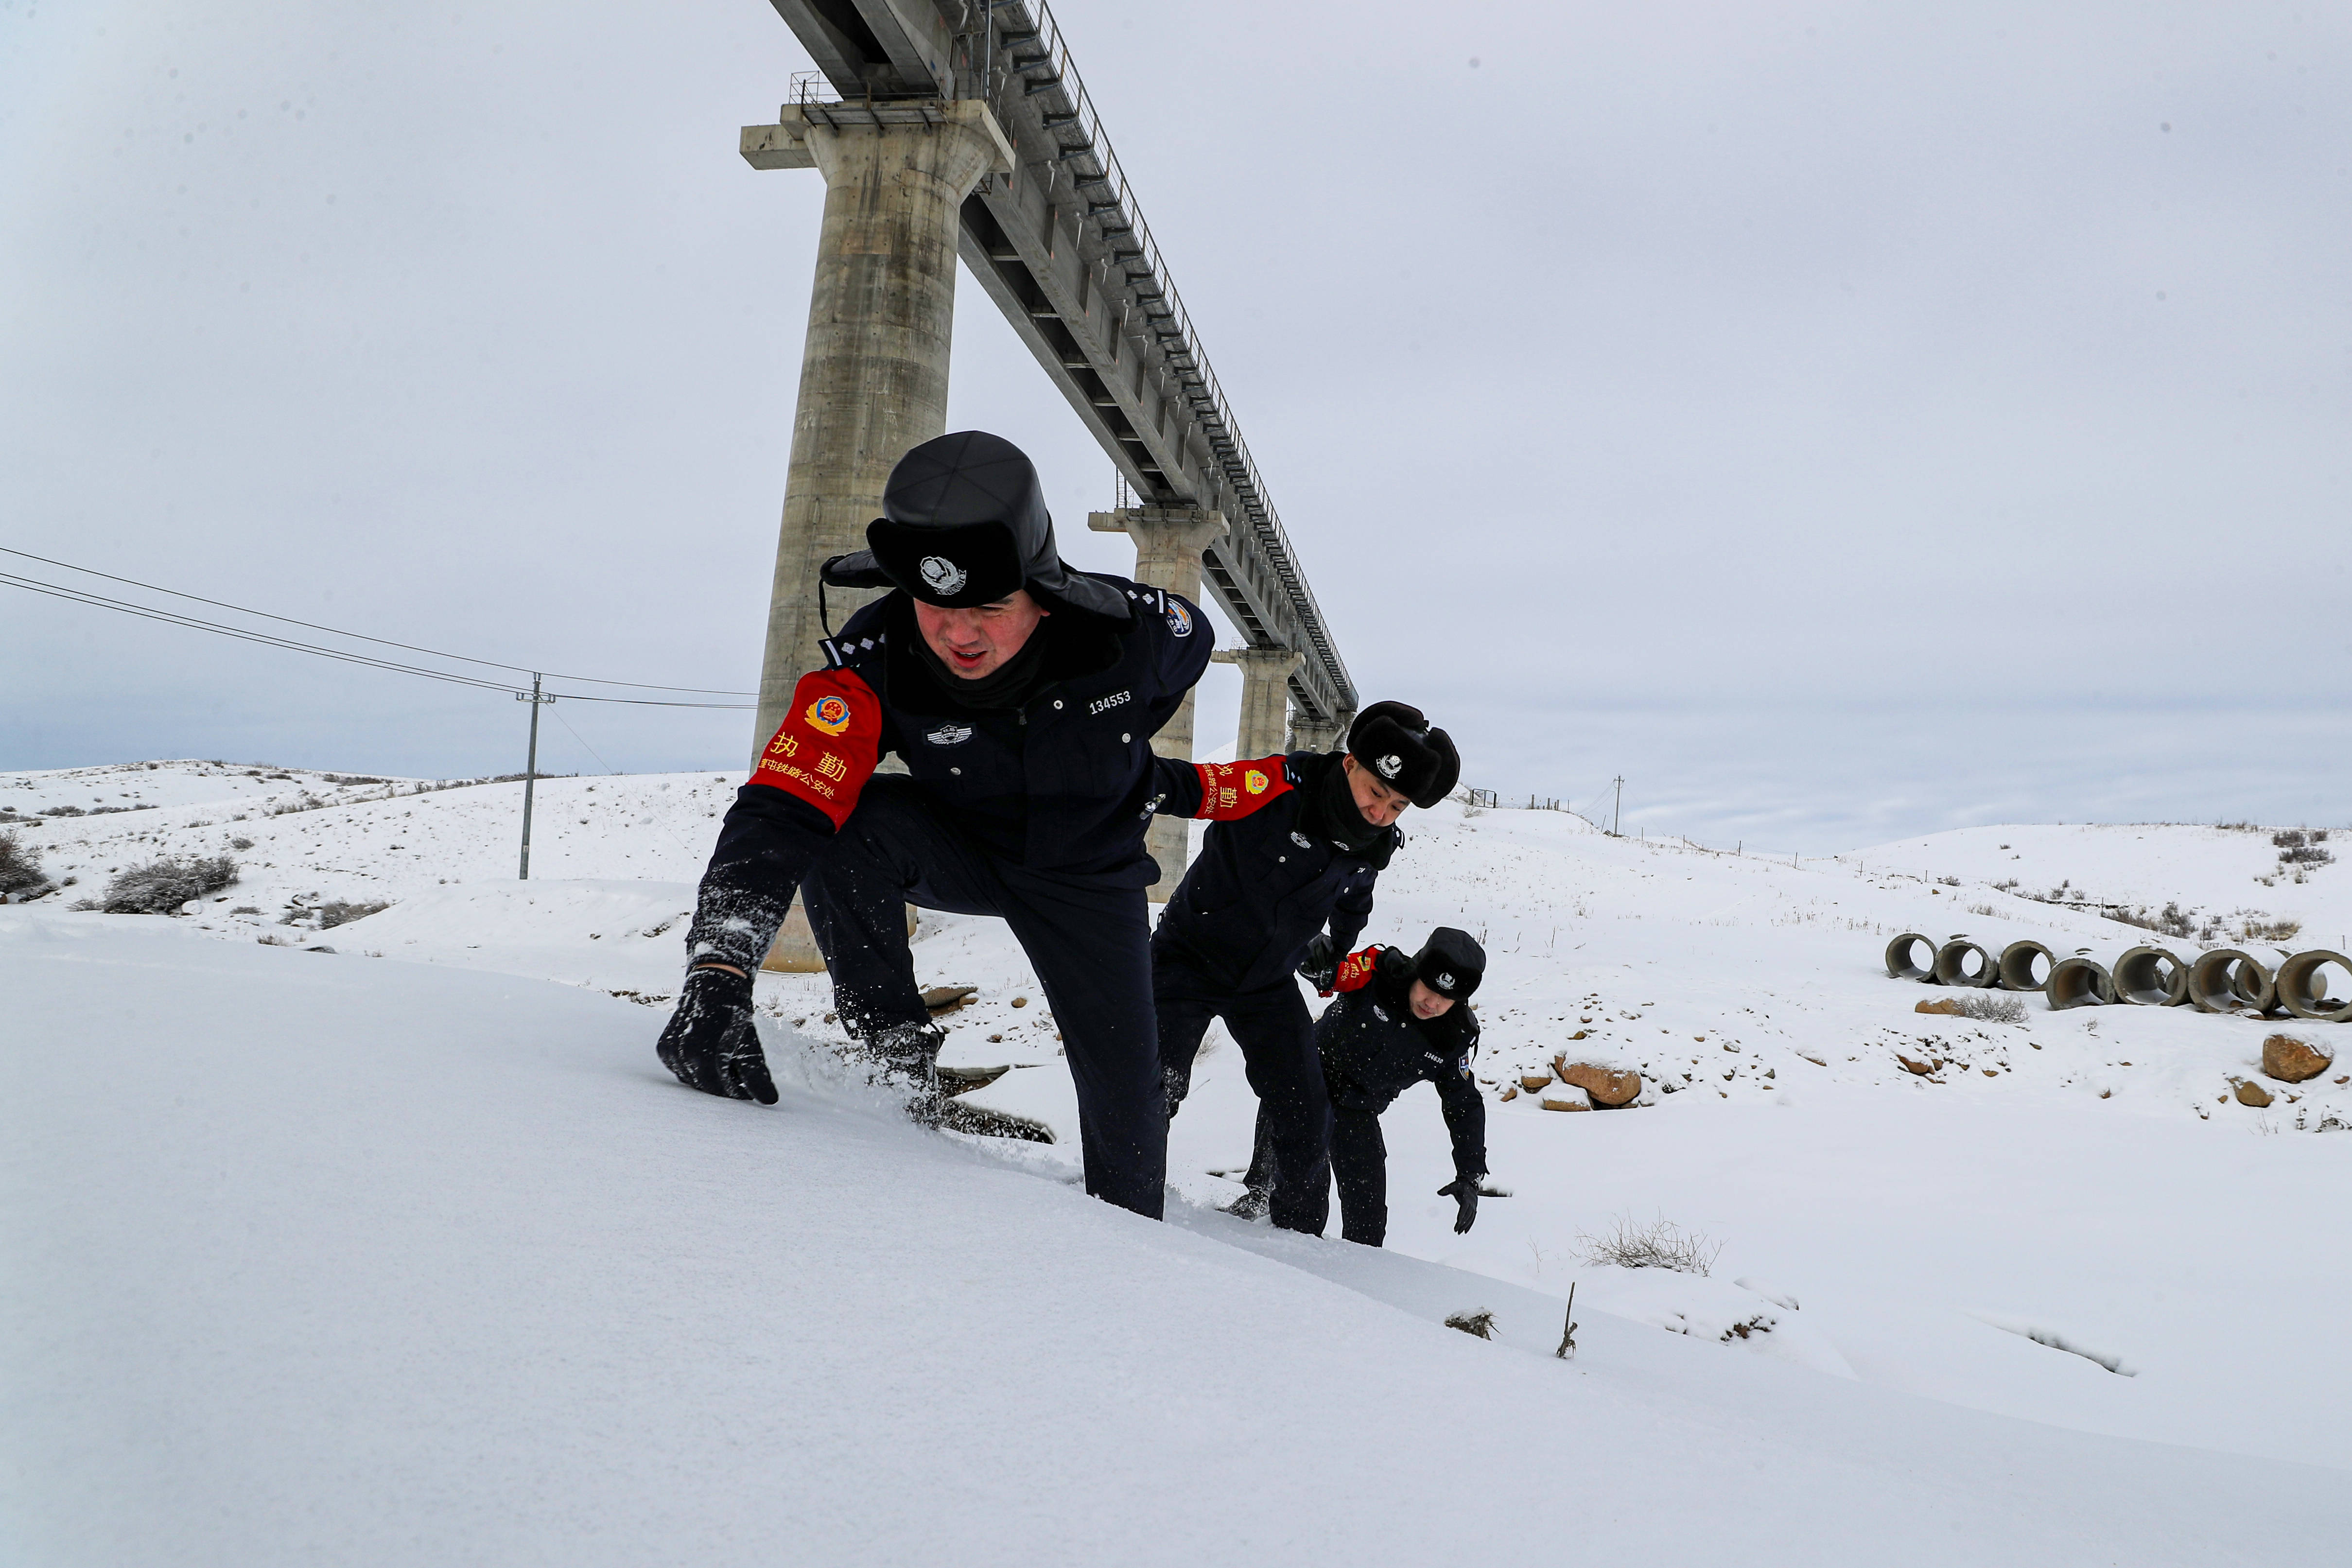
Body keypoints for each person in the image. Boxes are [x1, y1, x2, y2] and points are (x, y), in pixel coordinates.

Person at [653, 430, 1285, 1219]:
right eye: (935, 606)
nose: (958, 633)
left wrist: (1122, 761)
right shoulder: (872, 658)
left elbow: (1193, 648)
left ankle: (1129, 1260)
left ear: (1042, 588)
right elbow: (780, 806)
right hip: (965, 848)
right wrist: (718, 973)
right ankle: (895, 1053)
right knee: (843, 822)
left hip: (1089, 879)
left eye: (989, 606)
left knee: (1125, 1114)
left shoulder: (1136, 634)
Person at [1153, 702, 1459, 1232]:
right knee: (1155, 1086)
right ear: (1349, 765)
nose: (1381, 812)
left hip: (1266, 983)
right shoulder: (1276, 783)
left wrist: (1336, 955)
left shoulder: (1375, 845)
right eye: (1375, 793)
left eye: (1397, 806)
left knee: (1306, 1111)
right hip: (1188, 957)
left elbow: (1354, 900)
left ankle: (1296, 1241)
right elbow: (1193, 786)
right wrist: (1120, 776)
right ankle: (1117, 1206)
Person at [1299, 927, 1489, 1247]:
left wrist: (1469, 1175)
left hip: (1358, 1109)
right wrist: (1314, 956)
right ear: (1417, 971)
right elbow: (1333, 972)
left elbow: (1463, 1103)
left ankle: (1353, 1290)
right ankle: (1253, 1225)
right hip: (1304, 1085)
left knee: (1368, 1225)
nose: (1433, 1002)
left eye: (1447, 997)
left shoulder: (1452, 1037)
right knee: (1300, 1204)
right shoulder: (1376, 971)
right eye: (1429, 988)